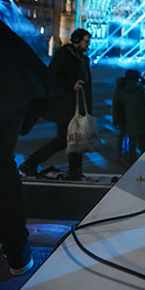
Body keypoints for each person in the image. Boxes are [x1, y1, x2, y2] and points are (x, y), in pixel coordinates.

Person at [0, 16, 63, 275]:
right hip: (13, 92)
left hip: (8, 92)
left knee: (2, 169)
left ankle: (18, 253)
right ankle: (18, 255)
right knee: (3, 170)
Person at [19, 28, 92, 181]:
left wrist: (87, 108)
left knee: (72, 139)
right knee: (69, 139)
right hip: (64, 106)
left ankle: (74, 170)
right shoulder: (65, 55)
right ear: (77, 40)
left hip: (75, 106)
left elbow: (87, 86)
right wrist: (71, 84)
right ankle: (32, 163)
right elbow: (53, 77)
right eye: (86, 41)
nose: (88, 44)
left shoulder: (82, 58)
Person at [112, 69, 145, 165]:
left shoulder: (121, 88)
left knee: (130, 140)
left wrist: (116, 119)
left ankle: (130, 160)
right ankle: (144, 160)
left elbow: (116, 104)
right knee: (143, 140)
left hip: (125, 119)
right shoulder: (141, 88)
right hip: (141, 119)